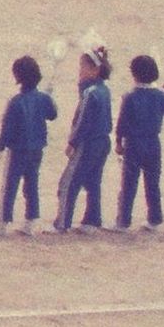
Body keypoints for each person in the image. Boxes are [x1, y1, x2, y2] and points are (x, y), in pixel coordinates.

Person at [0, 55, 55, 229]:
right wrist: (50, 97)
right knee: (32, 183)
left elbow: (8, 128)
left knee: (10, 185)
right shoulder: (43, 98)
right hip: (37, 149)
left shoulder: (16, 102)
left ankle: (3, 223)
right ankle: (30, 221)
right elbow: (52, 115)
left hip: (18, 150)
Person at [116, 54, 164, 229]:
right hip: (153, 143)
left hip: (134, 144)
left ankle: (123, 221)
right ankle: (154, 219)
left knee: (129, 184)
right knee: (152, 183)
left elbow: (122, 122)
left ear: (134, 74)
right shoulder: (159, 95)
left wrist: (119, 142)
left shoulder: (130, 97)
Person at [59, 49, 114, 231]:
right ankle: (92, 220)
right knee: (93, 182)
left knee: (68, 183)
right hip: (103, 142)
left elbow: (82, 121)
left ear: (95, 70)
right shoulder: (104, 89)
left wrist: (72, 142)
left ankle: (62, 223)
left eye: (83, 66)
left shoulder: (90, 93)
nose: (80, 70)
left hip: (88, 143)